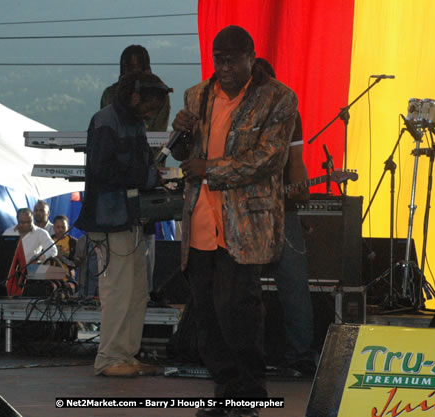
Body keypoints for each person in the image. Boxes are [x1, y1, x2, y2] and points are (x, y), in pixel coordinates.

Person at [171, 26, 297, 417]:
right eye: (217, 59)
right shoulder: (197, 95)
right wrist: (180, 134)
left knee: (238, 314)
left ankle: (250, 396)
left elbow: (268, 158)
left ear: (250, 57)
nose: (222, 67)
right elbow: (182, 155)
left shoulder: (277, 97)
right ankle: (226, 394)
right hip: (200, 223)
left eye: (231, 59)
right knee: (206, 316)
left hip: (244, 226)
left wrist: (209, 170)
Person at [76, 71, 171, 377]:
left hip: (129, 217)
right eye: (150, 106)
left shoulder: (132, 122)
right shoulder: (105, 121)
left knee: (137, 290)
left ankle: (126, 354)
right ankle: (109, 358)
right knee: (118, 289)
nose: (152, 113)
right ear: (134, 96)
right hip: (109, 217)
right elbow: (102, 170)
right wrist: (145, 176)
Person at [255, 58, 318, 377]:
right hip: (247, 210)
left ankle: (301, 354)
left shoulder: (289, 112)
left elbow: (297, 161)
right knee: (245, 285)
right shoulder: (240, 113)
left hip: (282, 209)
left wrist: (300, 194)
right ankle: (249, 352)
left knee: (293, 283)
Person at [100, 44, 171, 293]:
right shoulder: (110, 94)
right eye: (129, 67)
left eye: (139, 66)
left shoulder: (158, 94)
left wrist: (147, 170)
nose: (134, 71)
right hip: (120, 185)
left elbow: (156, 135)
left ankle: (146, 291)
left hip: (147, 174)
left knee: (147, 232)